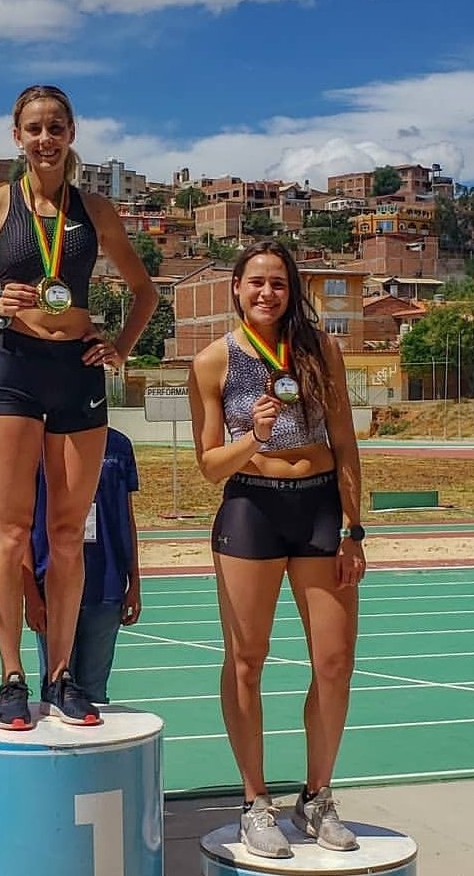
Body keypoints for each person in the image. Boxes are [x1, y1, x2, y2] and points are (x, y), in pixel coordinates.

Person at [0, 84, 157, 730]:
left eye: (56, 127)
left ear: (72, 134)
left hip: (78, 372)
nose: (45, 139)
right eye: (34, 128)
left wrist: (119, 347)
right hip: (16, 369)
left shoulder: (95, 210)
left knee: (68, 534)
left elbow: (145, 291)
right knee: (10, 531)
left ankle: (61, 675)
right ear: (17, 136)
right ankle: (12, 675)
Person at [187, 240, 365, 860]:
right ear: (236, 288)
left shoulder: (320, 350)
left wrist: (354, 528)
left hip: (318, 508)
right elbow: (210, 465)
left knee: (334, 661)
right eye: (257, 282)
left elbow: (344, 442)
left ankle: (317, 797)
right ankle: (254, 802)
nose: (267, 292)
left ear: (292, 292)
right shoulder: (213, 360)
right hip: (251, 509)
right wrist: (254, 437)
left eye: (279, 283)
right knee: (247, 659)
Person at [24, 427, 141, 703]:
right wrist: (30, 593)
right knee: (55, 688)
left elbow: (127, 517)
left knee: (94, 693)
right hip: (52, 585)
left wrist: (135, 581)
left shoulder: (119, 445)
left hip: (106, 584)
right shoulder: (39, 445)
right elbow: (22, 523)